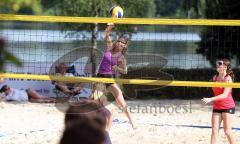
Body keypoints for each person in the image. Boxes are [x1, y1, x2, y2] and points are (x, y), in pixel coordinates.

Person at [95, 23, 136, 129]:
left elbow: (125, 71)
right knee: (97, 100)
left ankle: (132, 123)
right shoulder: (109, 48)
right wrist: (110, 27)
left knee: (122, 103)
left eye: (123, 43)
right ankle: (108, 116)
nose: (120, 43)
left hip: (109, 78)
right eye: (119, 41)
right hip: (100, 77)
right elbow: (107, 34)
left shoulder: (121, 57)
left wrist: (117, 68)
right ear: (117, 42)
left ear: (124, 46)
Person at [202, 58, 236, 144]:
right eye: (217, 63)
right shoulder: (215, 77)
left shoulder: (228, 79)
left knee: (227, 131)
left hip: (228, 107)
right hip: (217, 106)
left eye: (220, 64)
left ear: (225, 67)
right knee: (214, 130)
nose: (217, 65)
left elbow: (225, 95)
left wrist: (210, 99)